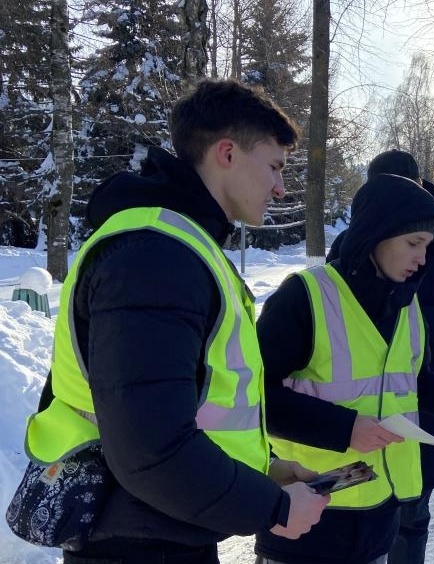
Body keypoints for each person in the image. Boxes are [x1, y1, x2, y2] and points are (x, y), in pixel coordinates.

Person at [19, 79, 330, 564]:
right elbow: (150, 448)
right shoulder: (154, 256)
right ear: (227, 153)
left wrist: (262, 470)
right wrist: (271, 507)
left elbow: (187, 407)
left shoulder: (180, 246)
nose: (280, 187)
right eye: (274, 166)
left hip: (157, 526)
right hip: (136, 540)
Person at [255, 173, 434, 564]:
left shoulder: (407, 305)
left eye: (428, 246)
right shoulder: (305, 297)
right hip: (308, 516)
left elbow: (408, 383)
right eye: (413, 243)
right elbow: (255, 396)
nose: (422, 258)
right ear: (377, 235)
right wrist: (345, 429)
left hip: (378, 517)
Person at [325, 150, 434, 564]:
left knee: (412, 509)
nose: (418, 253)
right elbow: (330, 311)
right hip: (353, 399)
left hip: (423, 389)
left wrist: (406, 315)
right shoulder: (349, 243)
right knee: (349, 503)